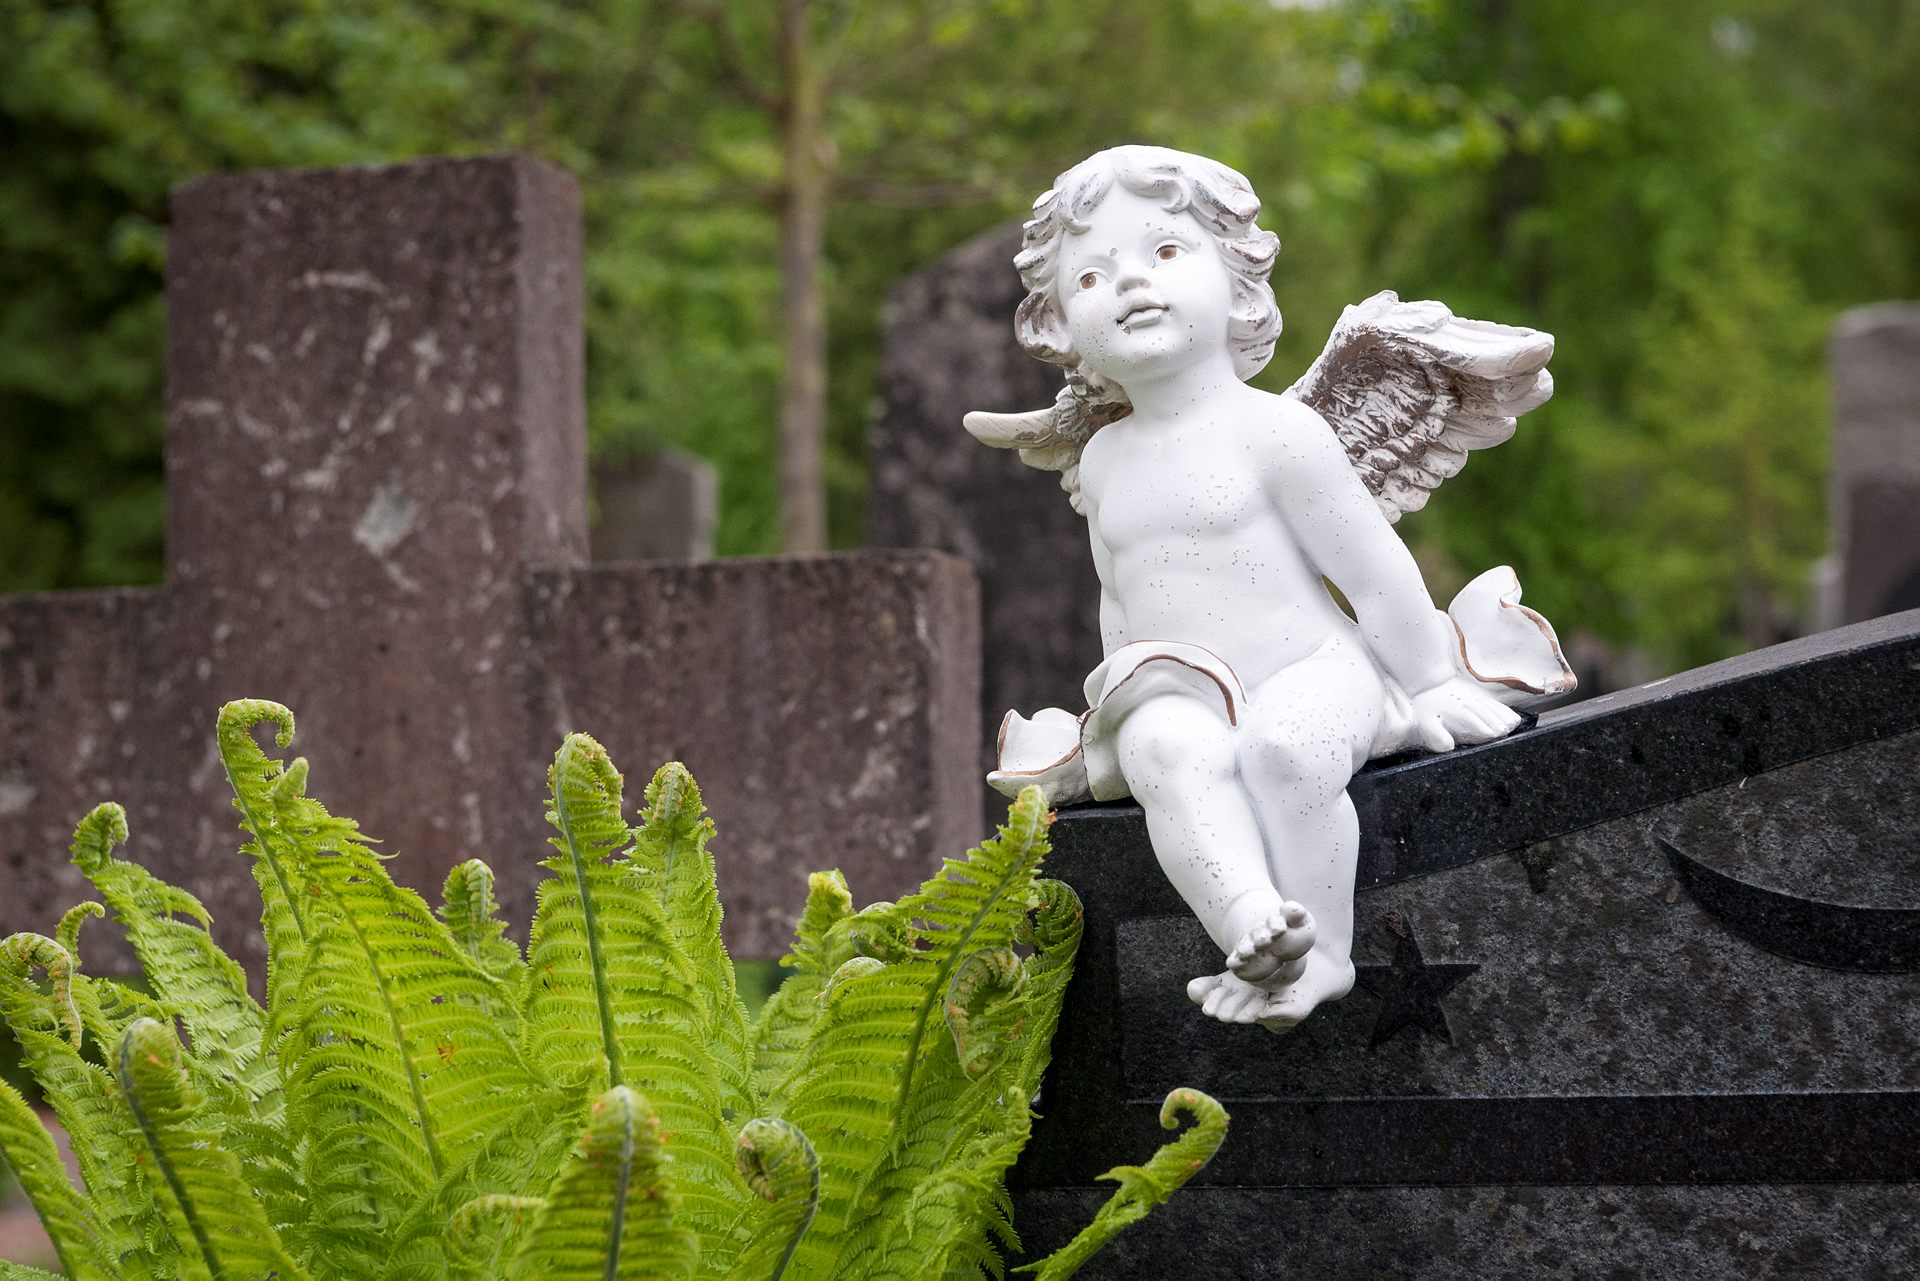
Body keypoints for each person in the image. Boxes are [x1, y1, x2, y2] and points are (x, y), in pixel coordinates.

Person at [967, 146, 1571, 1031]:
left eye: (1165, 252)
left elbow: (1374, 572)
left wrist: (1432, 680)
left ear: (1238, 281)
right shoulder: (1102, 460)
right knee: (1162, 753)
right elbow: (1119, 594)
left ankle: (1324, 953)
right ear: (1060, 324)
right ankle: (1251, 922)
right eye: (1091, 276)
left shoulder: (1277, 432)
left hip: (1316, 670)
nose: (1130, 283)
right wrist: (1115, 712)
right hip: (1180, 686)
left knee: (1285, 751)